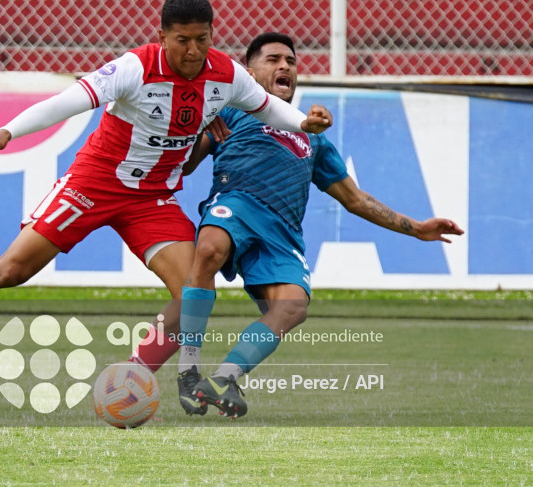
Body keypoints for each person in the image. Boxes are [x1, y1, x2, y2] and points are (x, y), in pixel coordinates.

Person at [0, 0, 333, 358]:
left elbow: (268, 107)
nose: (193, 51)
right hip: (94, 185)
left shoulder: (226, 74)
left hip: (152, 199)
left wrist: (303, 123)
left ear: (212, 35)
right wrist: (8, 130)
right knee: (9, 271)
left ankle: (135, 374)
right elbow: (67, 101)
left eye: (202, 39)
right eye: (182, 40)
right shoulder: (135, 68)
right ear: (162, 36)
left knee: (195, 293)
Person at [175, 32, 464, 418]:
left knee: (293, 307)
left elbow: (355, 199)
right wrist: (202, 127)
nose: (285, 67)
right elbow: (188, 164)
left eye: (291, 62)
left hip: (281, 233)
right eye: (274, 59)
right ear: (249, 71)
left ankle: (225, 378)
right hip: (235, 204)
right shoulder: (230, 110)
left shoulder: (314, 139)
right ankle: (188, 370)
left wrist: (416, 227)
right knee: (209, 247)